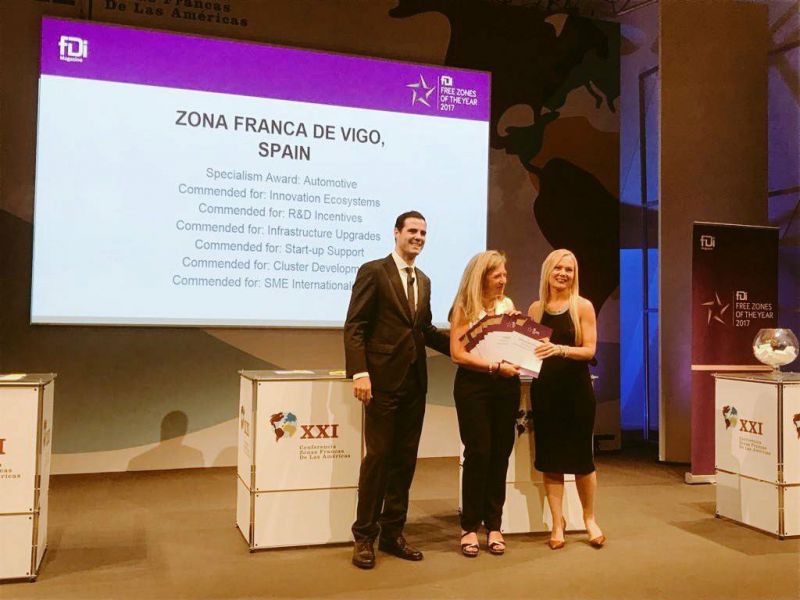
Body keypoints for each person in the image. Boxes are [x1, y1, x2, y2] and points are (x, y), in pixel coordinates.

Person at [344, 210, 450, 569]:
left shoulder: (425, 280)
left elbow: (424, 330)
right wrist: (360, 372)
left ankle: (392, 534)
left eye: (423, 233)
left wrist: (466, 347)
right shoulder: (373, 271)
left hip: (415, 384)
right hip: (381, 384)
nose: (418, 237)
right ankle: (364, 536)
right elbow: (355, 326)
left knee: (405, 461)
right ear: (396, 233)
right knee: (378, 459)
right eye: (412, 231)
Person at [528, 249, 605, 549]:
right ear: (547, 271)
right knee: (551, 459)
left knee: (583, 460)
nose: (563, 273)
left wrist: (559, 349)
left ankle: (589, 519)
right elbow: (530, 350)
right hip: (545, 391)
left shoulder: (583, 306)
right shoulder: (535, 309)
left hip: (576, 392)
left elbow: (589, 350)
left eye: (569, 269)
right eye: (558, 268)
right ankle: (557, 523)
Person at [449, 251, 520, 557]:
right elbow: (457, 354)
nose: (503, 280)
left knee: (500, 454)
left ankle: (494, 525)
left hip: (505, 387)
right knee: (478, 453)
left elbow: (514, 346)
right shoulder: (464, 307)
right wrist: (493, 367)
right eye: (497, 275)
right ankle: (469, 527)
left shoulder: (507, 305)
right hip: (474, 387)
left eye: (505, 274)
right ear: (482, 276)